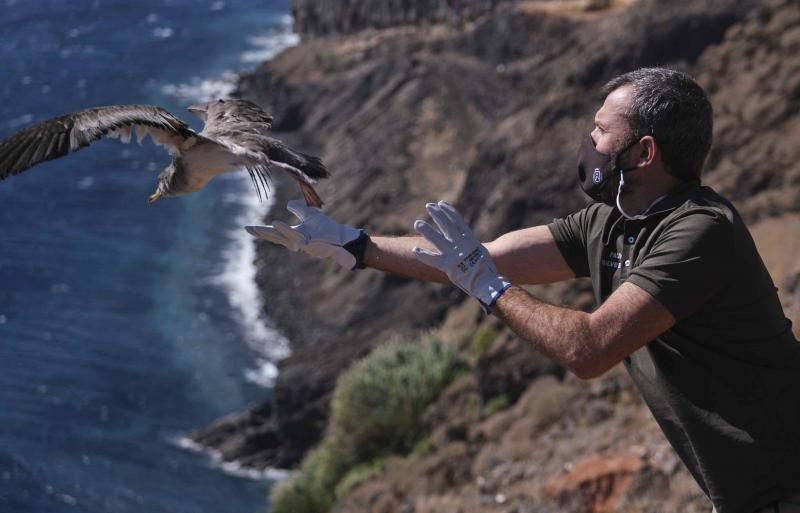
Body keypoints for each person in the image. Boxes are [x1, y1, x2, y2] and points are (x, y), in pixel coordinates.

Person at [245, 67, 800, 513]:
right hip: (748, 490)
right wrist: (351, 244)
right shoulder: (608, 223)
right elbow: (472, 259)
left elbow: (590, 348)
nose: (590, 142)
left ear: (645, 153)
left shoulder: (700, 230)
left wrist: (488, 288)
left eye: (602, 132)